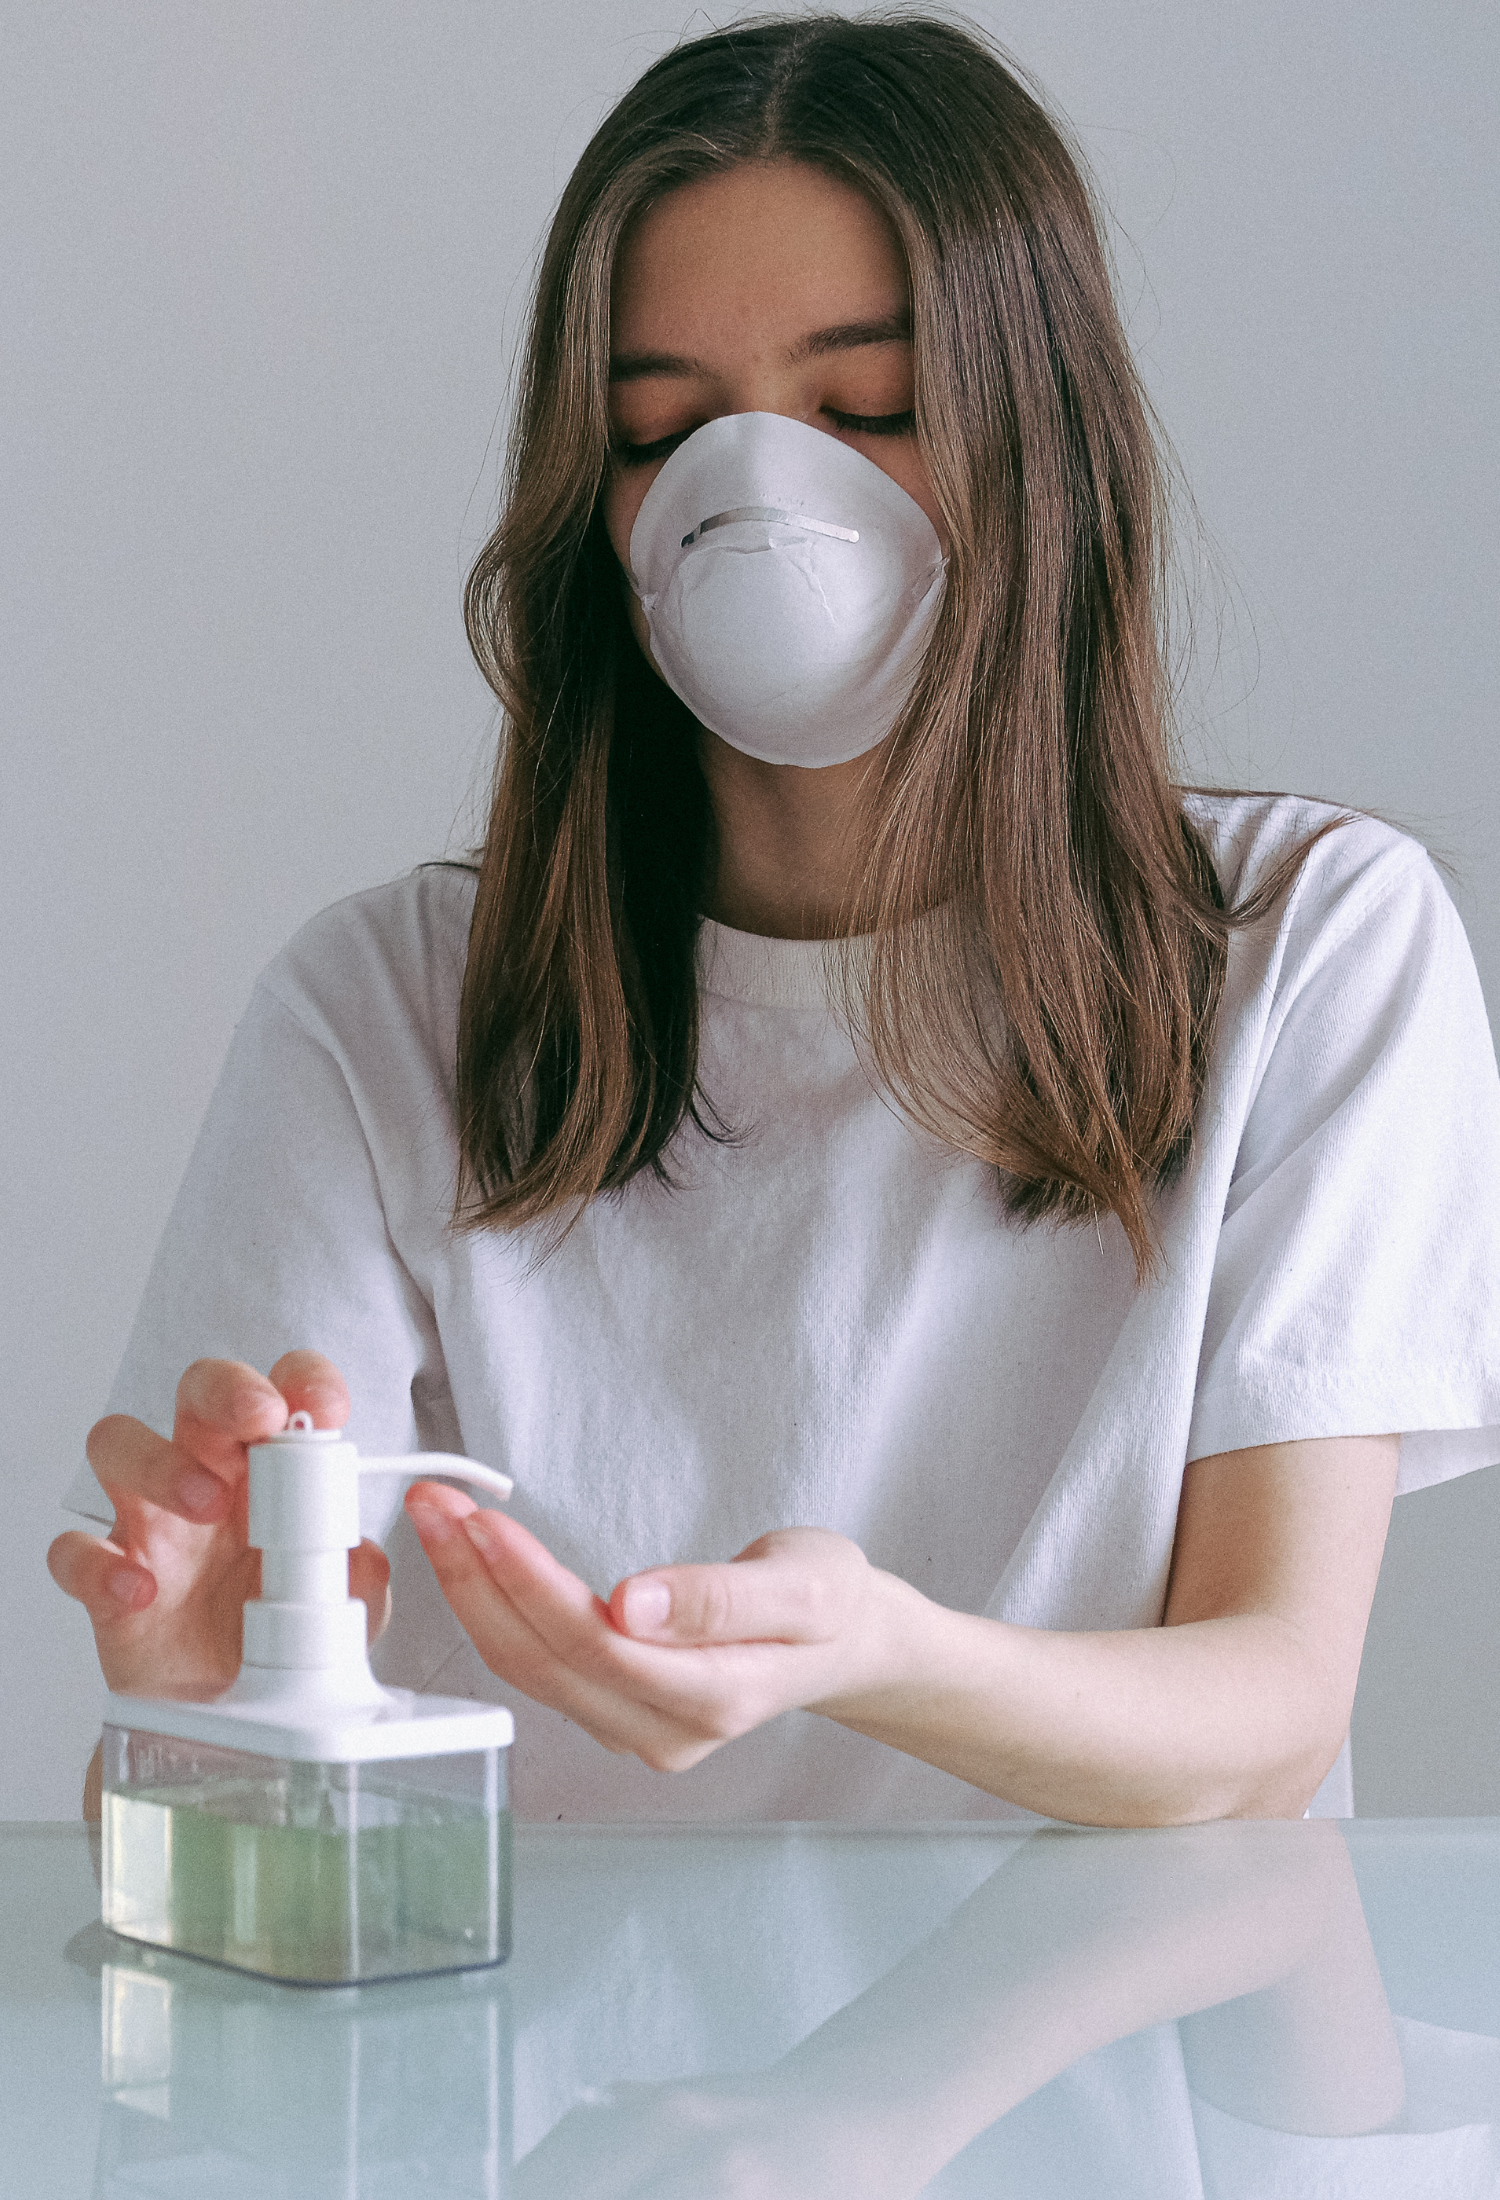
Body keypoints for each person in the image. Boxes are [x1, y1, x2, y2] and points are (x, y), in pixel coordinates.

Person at [50, 13, 1500, 1829]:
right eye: (663, 430)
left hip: (1140, 2021)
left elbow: (1270, 1703)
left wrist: (881, 1655)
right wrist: (206, 1714)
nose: (757, 501)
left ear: (1038, 442)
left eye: (866, 409)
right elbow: (207, 1821)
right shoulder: (391, 1009)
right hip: (559, 2025)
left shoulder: (1302, 946)